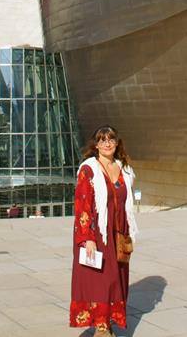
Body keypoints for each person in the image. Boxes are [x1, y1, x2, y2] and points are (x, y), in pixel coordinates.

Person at [70, 126, 139, 336]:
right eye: (102, 140)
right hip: (98, 233)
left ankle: (108, 321)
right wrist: (87, 239)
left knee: (117, 279)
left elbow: (126, 202)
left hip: (119, 232)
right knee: (101, 281)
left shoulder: (124, 169)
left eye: (111, 140)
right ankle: (101, 327)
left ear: (117, 143)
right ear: (96, 145)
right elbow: (82, 206)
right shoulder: (88, 169)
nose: (107, 144)